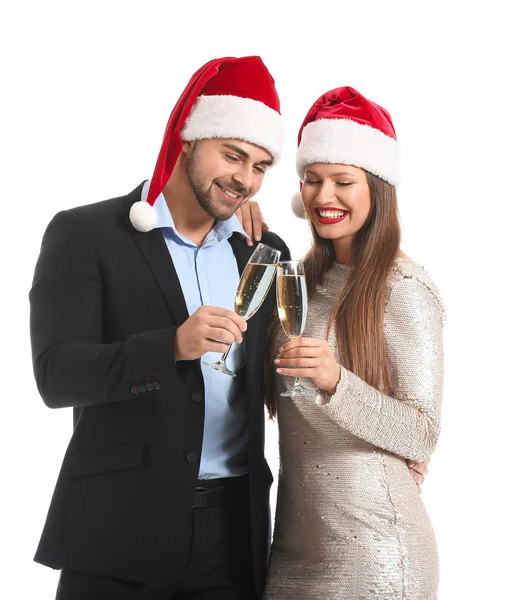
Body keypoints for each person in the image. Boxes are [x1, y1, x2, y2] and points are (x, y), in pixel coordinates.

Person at [29, 55, 291, 600]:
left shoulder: (263, 253)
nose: (244, 179)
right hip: (118, 532)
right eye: (233, 155)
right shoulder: (86, 234)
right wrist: (172, 346)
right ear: (188, 139)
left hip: (232, 537)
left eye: (261, 166)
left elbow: (269, 377)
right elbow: (57, 375)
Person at [264, 87, 445, 599]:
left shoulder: (403, 288)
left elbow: (423, 433)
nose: (324, 197)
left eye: (344, 182)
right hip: (295, 546)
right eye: (313, 181)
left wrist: (337, 381)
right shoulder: (300, 279)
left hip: (377, 551)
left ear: (377, 190)